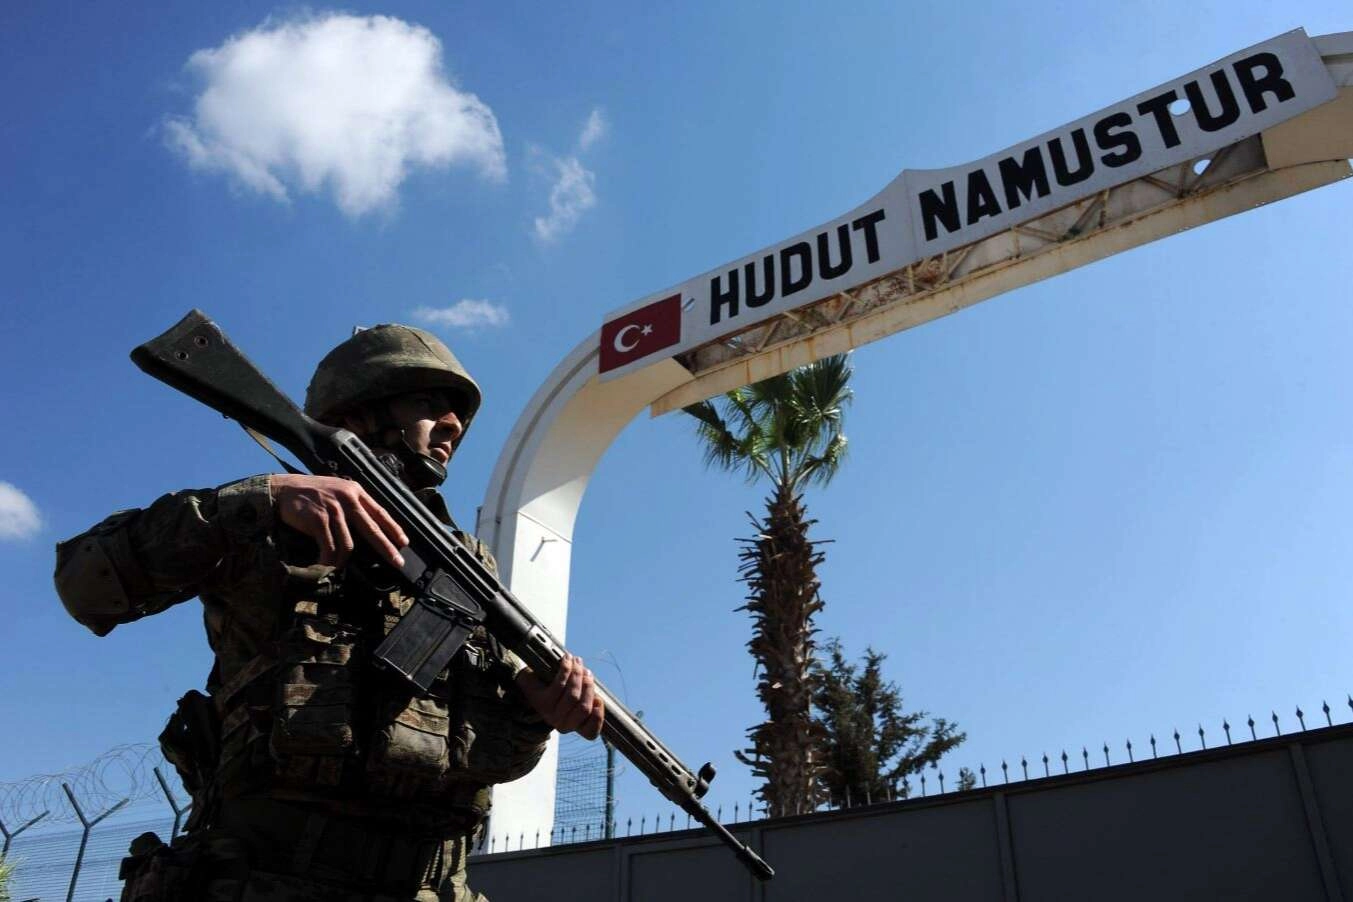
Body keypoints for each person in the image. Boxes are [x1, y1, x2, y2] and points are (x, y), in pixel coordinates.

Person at [54, 324, 604, 901]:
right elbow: (84, 586)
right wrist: (259, 501)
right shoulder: (269, 520)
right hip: (269, 878)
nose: (453, 425)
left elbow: (480, 761)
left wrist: (533, 717)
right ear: (356, 414)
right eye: (428, 403)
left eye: (458, 414)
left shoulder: (469, 566)